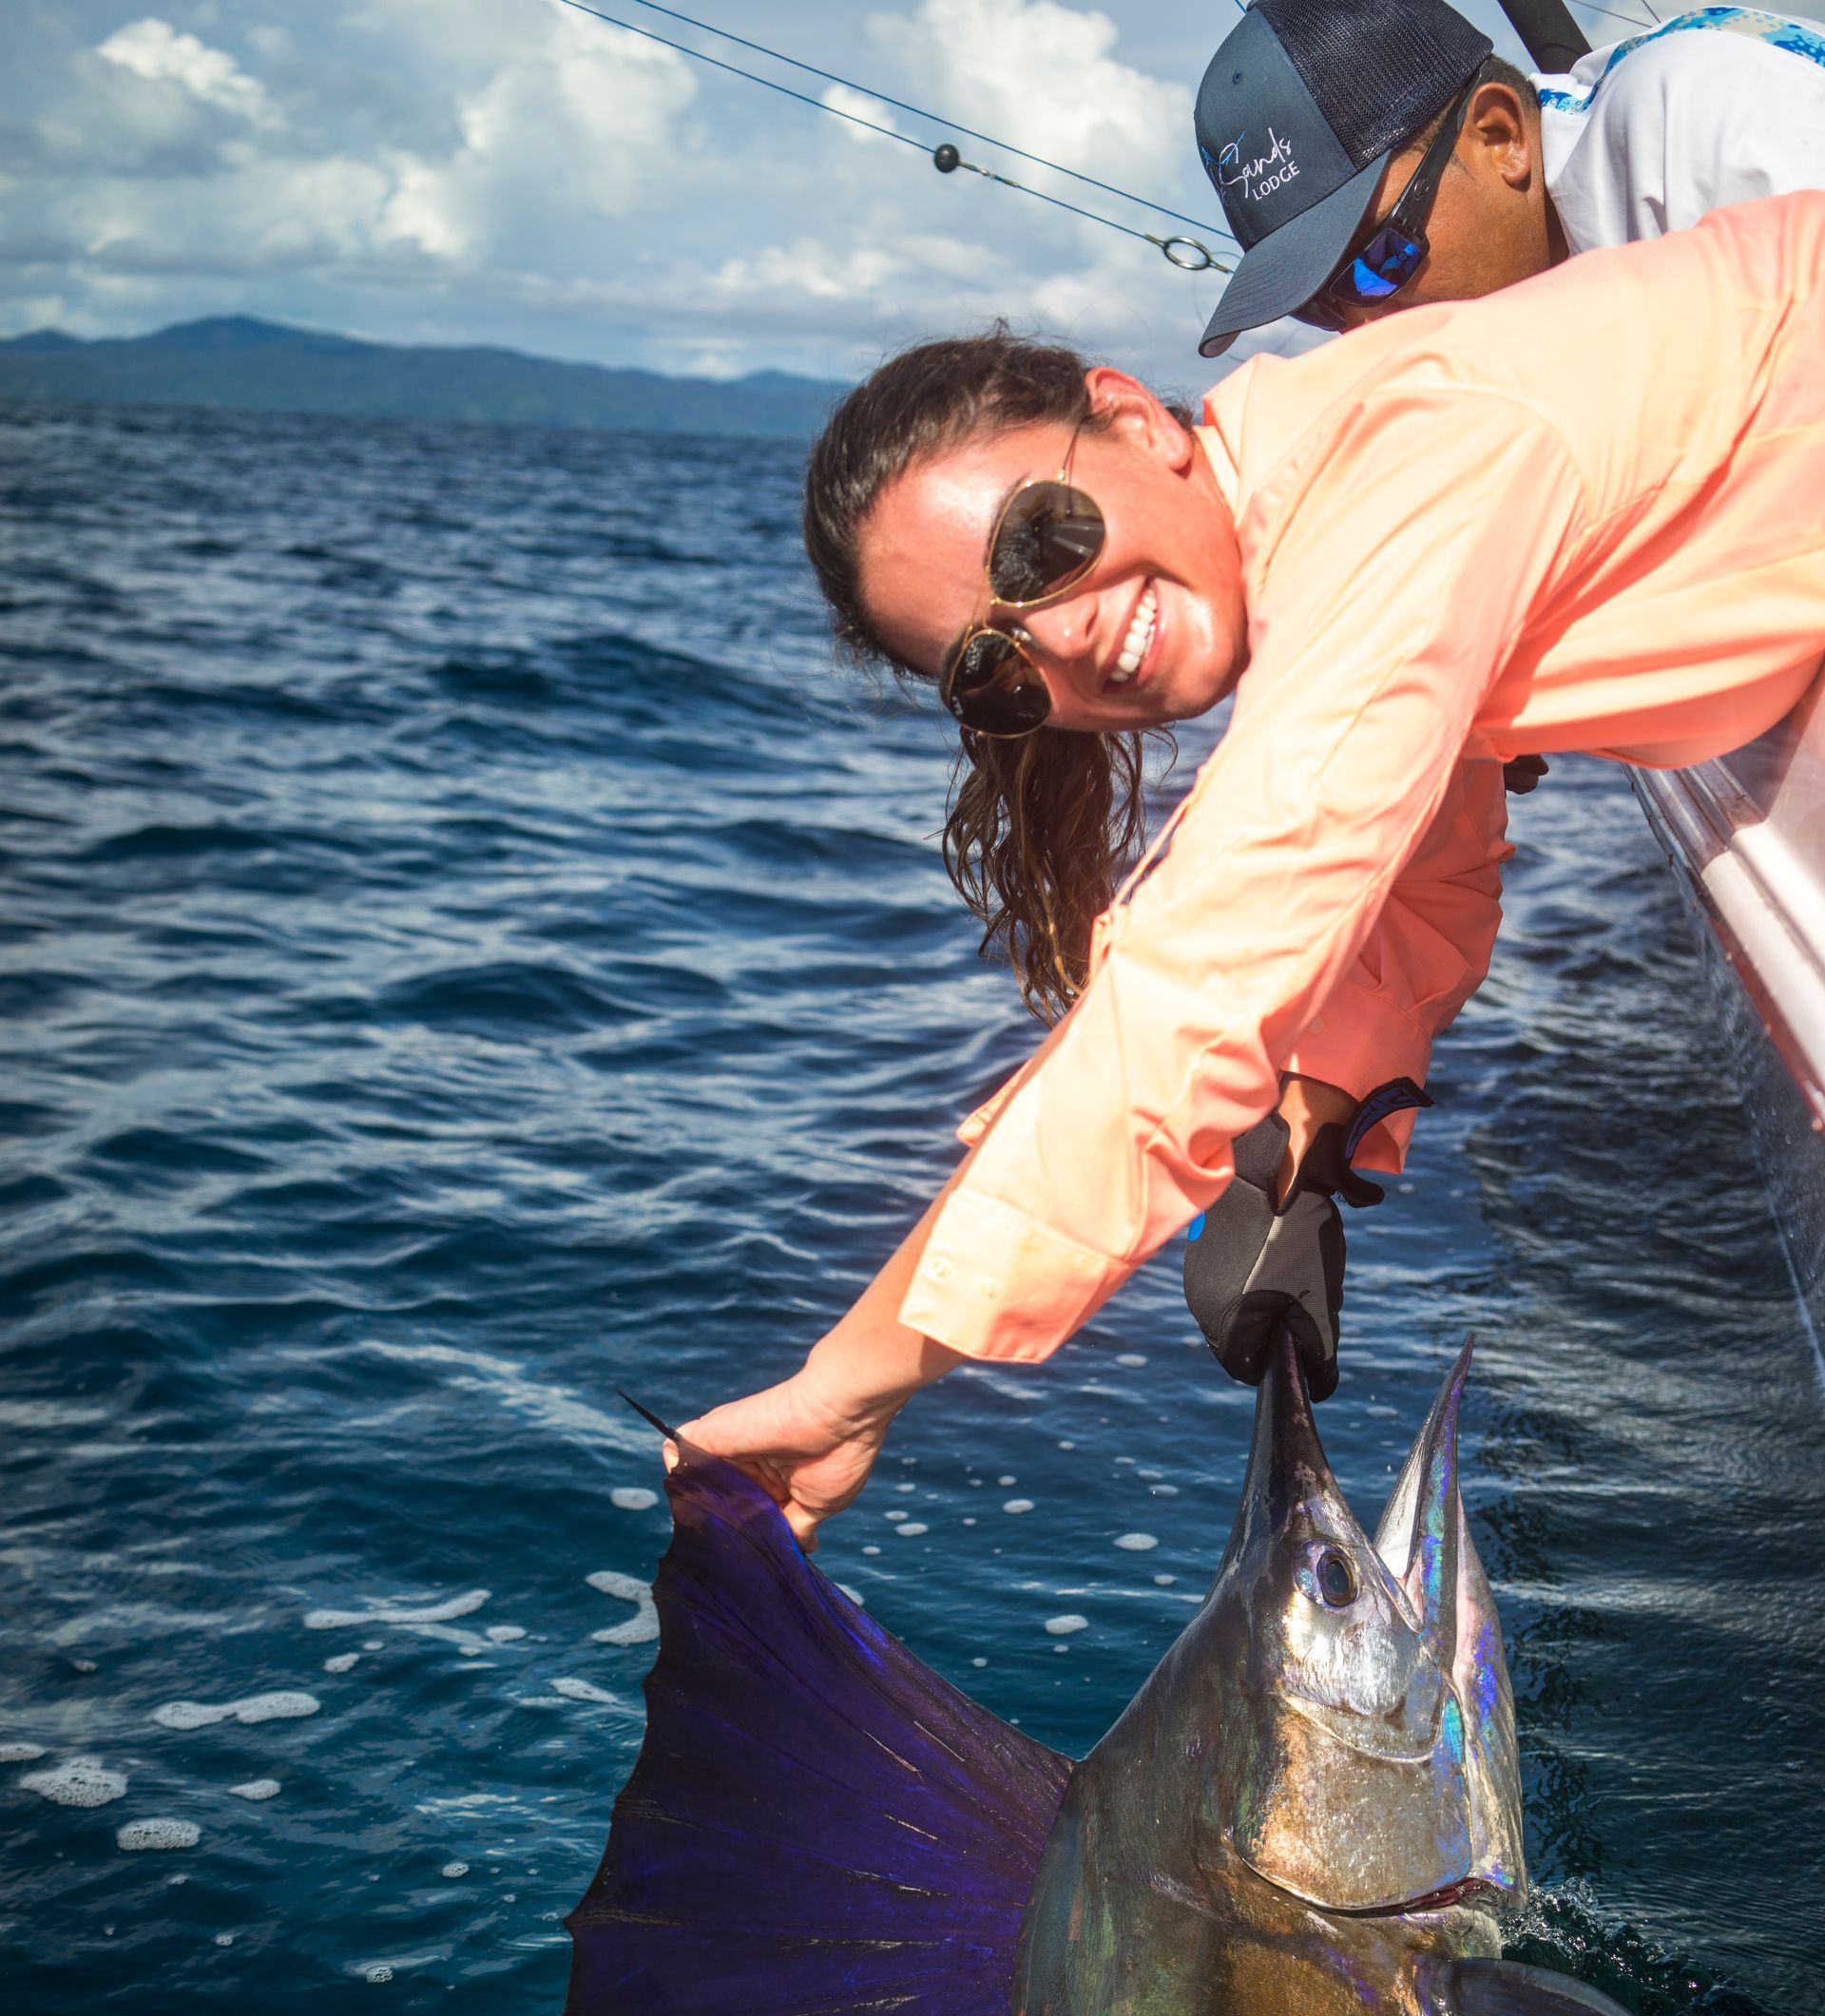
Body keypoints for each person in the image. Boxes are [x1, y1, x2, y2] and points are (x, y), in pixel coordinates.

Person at [676, 195, 1825, 1544]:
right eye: (995, 664)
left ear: (1135, 419)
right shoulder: (1336, 513)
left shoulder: (1421, 456)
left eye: (1034, 546)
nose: (1067, 637)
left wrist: (848, 1384)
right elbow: (1413, 868)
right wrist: (1303, 1149)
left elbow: (1224, 945)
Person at [1197, 0, 1825, 356]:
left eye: (1378, 261)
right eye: (1318, 308)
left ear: (1500, 137)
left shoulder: (1712, 128)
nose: (1362, 327)